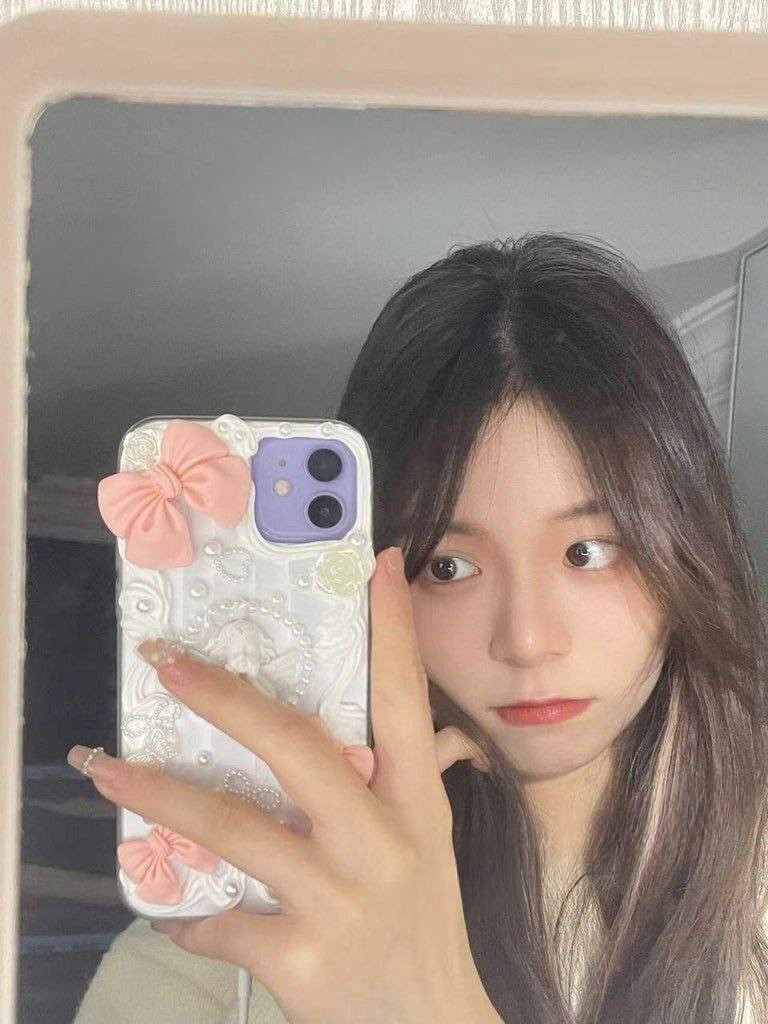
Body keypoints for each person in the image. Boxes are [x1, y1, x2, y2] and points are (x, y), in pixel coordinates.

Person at [72, 233, 768, 1023]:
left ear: (688, 543)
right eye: (447, 565)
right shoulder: (213, 957)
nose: (526, 641)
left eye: (588, 551)